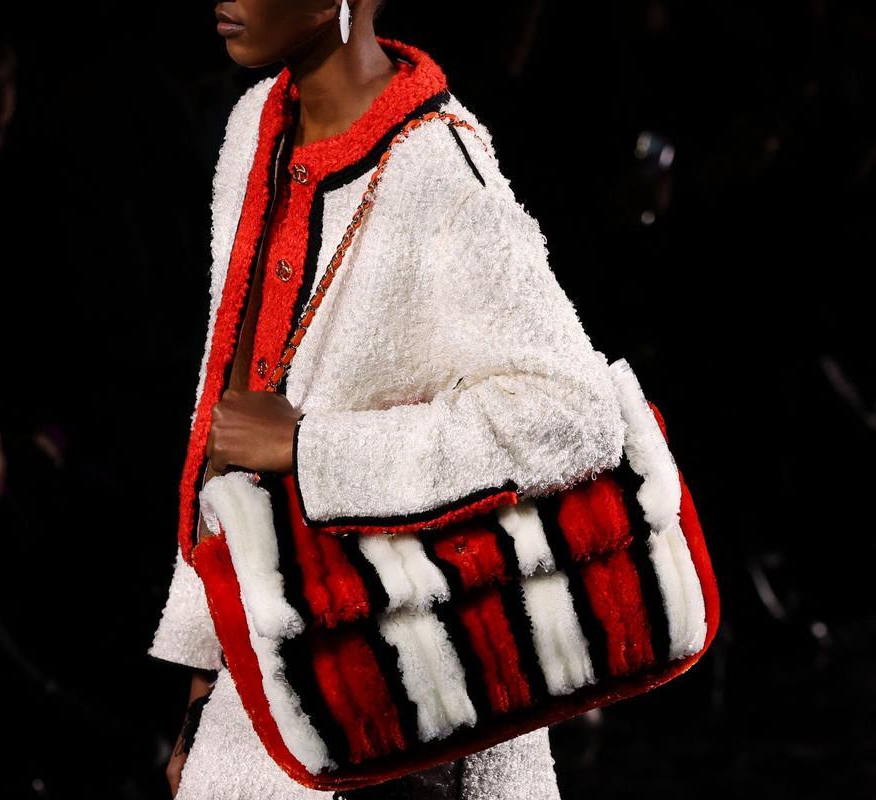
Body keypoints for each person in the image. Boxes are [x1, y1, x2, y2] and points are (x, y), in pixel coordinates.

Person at [150, 2, 628, 798]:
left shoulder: (438, 167)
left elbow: (573, 413)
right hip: (268, 701)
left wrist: (313, 450)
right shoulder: (253, 128)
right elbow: (224, 429)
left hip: (413, 702)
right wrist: (203, 699)